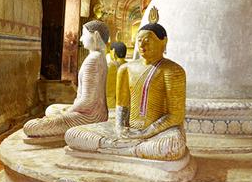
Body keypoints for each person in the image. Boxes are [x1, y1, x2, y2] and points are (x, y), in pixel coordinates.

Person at [65, 23, 188, 161]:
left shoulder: (172, 70)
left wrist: (145, 132)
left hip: (158, 132)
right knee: (73, 134)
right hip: (128, 130)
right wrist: (120, 129)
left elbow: (176, 115)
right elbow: (122, 107)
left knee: (172, 146)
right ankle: (132, 149)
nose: (142, 45)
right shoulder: (126, 69)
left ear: (163, 42)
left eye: (147, 40)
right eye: (139, 41)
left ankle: (117, 148)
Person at [23, 20, 109, 145]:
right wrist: (68, 111)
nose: (81, 39)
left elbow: (87, 101)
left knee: (30, 127)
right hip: (94, 112)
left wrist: (68, 112)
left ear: (96, 35)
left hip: (90, 117)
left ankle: (61, 124)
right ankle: (59, 121)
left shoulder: (93, 60)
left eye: (84, 34)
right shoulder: (100, 56)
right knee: (52, 109)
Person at [106, 41, 127, 109]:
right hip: (126, 103)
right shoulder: (130, 66)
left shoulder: (110, 66)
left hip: (111, 104)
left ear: (113, 52)